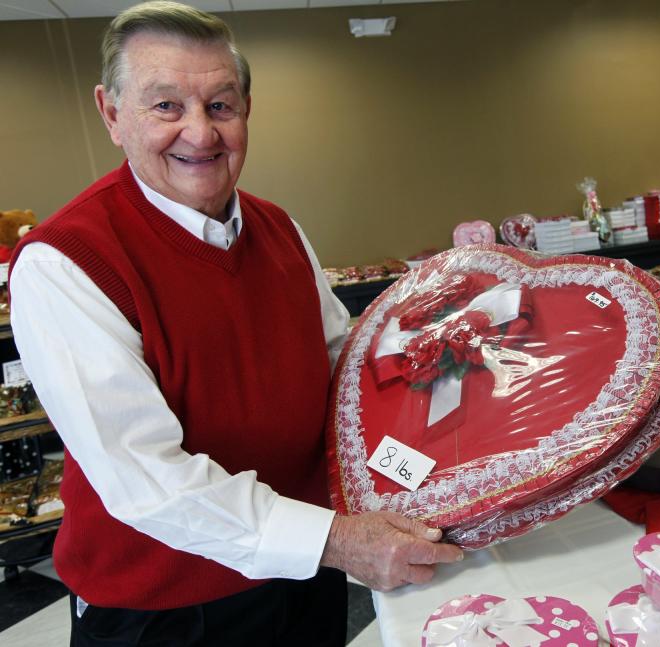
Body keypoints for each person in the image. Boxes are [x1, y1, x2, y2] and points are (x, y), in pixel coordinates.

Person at [9, 2, 462, 645]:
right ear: (112, 113)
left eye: (220, 106)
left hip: (304, 570)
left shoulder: (278, 228)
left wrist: (446, 382)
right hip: (164, 607)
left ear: (247, 111)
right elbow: (147, 478)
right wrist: (334, 539)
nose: (200, 133)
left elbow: (343, 367)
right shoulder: (66, 263)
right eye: (165, 106)